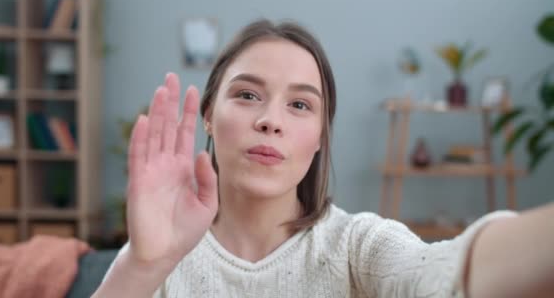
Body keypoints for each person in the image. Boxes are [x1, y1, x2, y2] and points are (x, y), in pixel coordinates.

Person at [92, 19, 554, 298]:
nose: (271, 120)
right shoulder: (163, 257)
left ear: (318, 138)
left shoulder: (357, 247)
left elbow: (443, 275)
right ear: (209, 116)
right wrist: (144, 264)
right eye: (249, 94)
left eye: (299, 105)